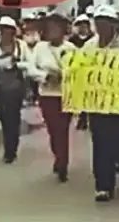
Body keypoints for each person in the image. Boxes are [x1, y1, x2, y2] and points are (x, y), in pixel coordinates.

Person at [84, 5, 119, 202]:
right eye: (98, 23)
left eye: (105, 23)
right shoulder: (90, 46)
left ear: (113, 25)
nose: (101, 27)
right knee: (100, 144)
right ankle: (103, 186)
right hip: (98, 103)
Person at [0, 16, 39, 163]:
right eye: (3, 30)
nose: (6, 33)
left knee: (13, 116)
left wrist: (18, 64)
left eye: (8, 30)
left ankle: (11, 149)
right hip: (0, 85)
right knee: (3, 116)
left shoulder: (21, 46)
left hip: (15, 84)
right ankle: (9, 142)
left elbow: (30, 63)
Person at [33, 11, 76, 182]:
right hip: (47, 94)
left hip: (65, 94)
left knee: (62, 129)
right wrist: (45, 76)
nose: (53, 31)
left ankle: (63, 162)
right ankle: (58, 155)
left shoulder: (71, 49)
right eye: (50, 27)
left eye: (56, 27)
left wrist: (64, 76)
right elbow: (31, 68)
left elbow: (77, 70)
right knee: (53, 129)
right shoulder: (39, 48)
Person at [68, 14, 94, 130]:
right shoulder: (72, 40)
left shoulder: (93, 39)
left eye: (85, 25)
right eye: (81, 25)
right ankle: (82, 118)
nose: (83, 27)